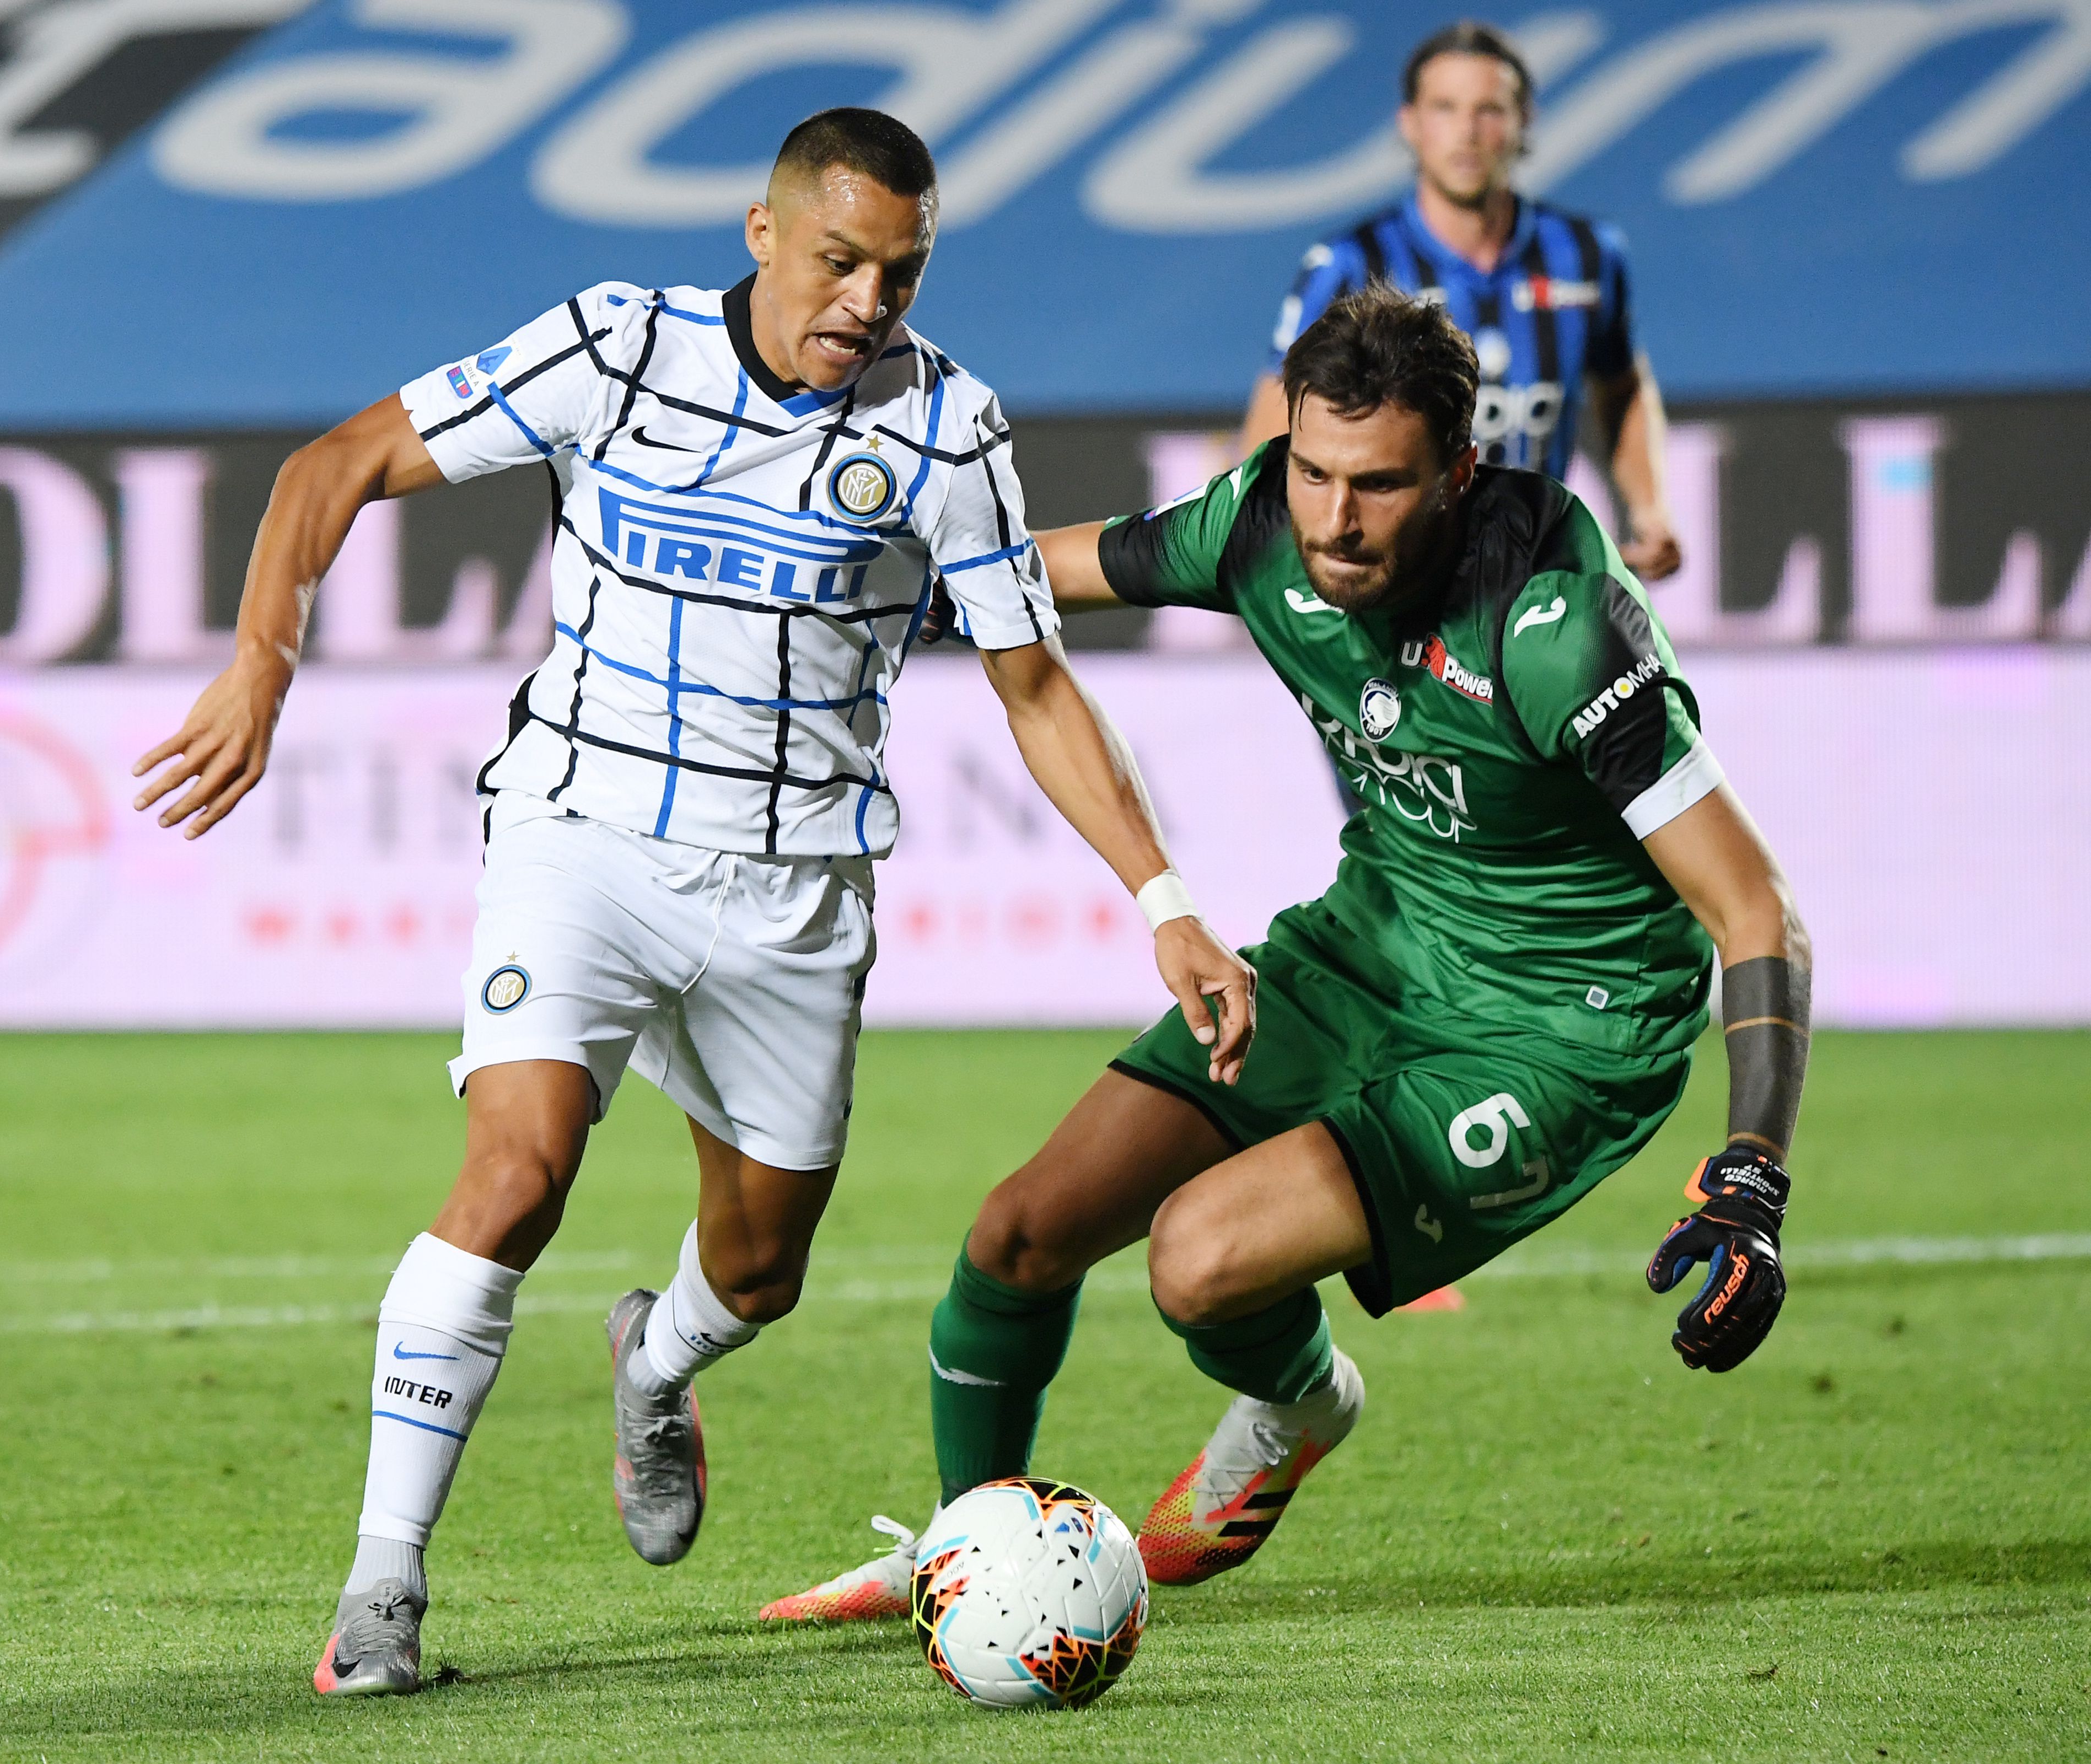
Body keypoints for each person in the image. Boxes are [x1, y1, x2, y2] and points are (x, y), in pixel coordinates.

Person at [131, 107, 1255, 1697]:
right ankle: (379, 1597)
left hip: (794, 891)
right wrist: (262, 659)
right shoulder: (614, 349)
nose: (865, 301)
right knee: (515, 1175)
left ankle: (656, 1360)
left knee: (762, 1269)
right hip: (577, 835)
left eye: (902, 273)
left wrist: (1166, 899)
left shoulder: (950, 432)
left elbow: (1036, 687)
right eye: (839, 260)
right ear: (761, 232)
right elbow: (341, 463)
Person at [760, 284, 1808, 1622]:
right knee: (1015, 1238)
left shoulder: (1556, 632)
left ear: (1457, 471)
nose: (1331, 518)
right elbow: (1021, 581)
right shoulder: (1259, 522)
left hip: (1561, 1026)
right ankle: (967, 1554)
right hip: (1372, 945)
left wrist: (1753, 1176)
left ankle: (1300, 1402)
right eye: (1313, 470)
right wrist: (826, 596)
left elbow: (1754, 908)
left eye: (1376, 485)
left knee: (1195, 1259)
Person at [1239, 20, 1683, 581]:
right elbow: (1273, 428)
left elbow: (1623, 388)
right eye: (1445, 108)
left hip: (1532, 577)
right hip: (1394, 591)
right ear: (1410, 125)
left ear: (1525, 122)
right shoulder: (1350, 265)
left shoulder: (1587, 256)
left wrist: (1650, 509)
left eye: (1489, 110)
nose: (1467, 132)